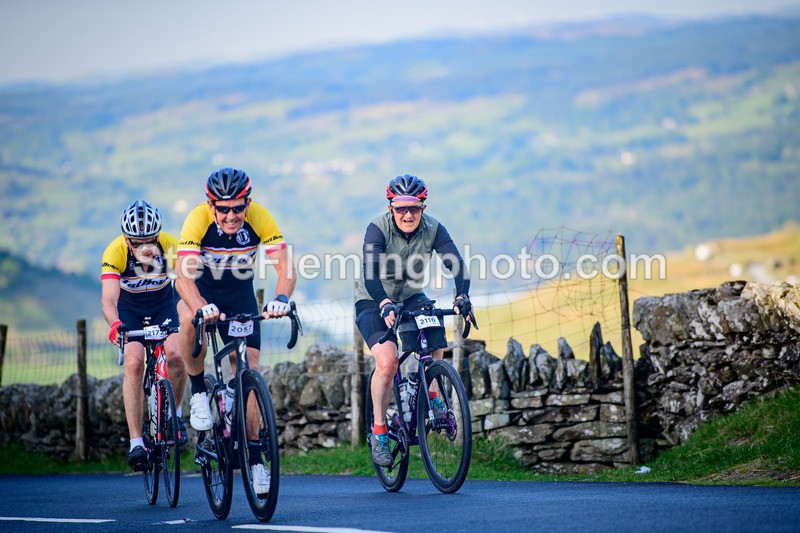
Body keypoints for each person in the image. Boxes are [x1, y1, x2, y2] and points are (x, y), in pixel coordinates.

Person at [174, 167, 295, 495]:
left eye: (238, 208)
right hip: (199, 290)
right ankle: (198, 390)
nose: (231, 215)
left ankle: (255, 459)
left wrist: (281, 298)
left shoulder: (259, 217)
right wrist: (201, 306)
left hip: (239, 292)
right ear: (211, 206)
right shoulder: (197, 219)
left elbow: (285, 266)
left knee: (248, 372)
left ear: (247, 203)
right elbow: (183, 276)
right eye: (223, 209)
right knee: (187, 318)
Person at [355, 174, 473, 467]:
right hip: (372, 298)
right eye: (400, 208)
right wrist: (383, 303)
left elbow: (455, 264)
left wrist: (462, 296)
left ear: (423, 206)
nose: (408, 214)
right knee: (387, 362)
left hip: (410, 295)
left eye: (415, 208)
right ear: (390, 207)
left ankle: (431, 391)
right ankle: (380, 431)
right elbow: (371, 274)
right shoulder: (377, 230)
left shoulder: (434, 228)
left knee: (434, 331)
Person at [101, 200, 188, 472]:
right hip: (131, 309)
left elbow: (187, 282)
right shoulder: (115, 251)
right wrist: (115, 324)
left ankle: (174, 416)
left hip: (164, 303)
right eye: (137, 243)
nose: (145, 248)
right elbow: (109, 300)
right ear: (127, 240)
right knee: (135, 363)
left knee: (177, 355)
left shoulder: (170, 245)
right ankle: (136, 441)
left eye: (150, 240)